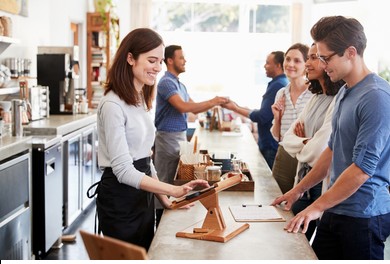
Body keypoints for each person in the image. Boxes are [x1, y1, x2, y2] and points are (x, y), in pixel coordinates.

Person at [272, 16, 390, 260]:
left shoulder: (376, 97)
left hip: (364, 215)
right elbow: (332, 150)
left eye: (326, 58)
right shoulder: (345, 91)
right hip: (335, 207)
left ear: (350, 52)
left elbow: (361, 170)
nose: (322, 64)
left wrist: (316, 206)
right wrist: (298, 190)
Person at [95, 28, 209, 250]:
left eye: (159, 61)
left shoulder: (137, 98)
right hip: (120, 200)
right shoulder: (112, 105)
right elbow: (124, 170)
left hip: (142, 196)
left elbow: (145, 158)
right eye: (151, 60)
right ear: (130, 58)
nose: (157, 67)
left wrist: (163, 197)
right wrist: (172, 189)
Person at [154, 45, 229, 226]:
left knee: (175, 178)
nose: (185, 60)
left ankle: (170, 221)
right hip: (167, 138)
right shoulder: (166, 83)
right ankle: (159, 224)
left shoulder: (180, 84)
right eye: (181, 57)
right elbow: (183, 107)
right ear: (170, 60)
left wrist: (215, 103)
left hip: (178, 137)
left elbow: (193, 108)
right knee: (164, 179)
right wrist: (213, 101)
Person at [281, 43, 345, 241]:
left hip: (322, 185)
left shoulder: (339, 99)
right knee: (293, 241)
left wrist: (305, 142)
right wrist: (308, 141)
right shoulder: (316, 98)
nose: (307, 63)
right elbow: (287, 139)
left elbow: (320, 151)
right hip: (304, 180)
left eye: (313, 58)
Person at [221, 51, 288, 169]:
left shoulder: (278, 85)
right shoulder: (278, 83)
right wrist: (236, 107)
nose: (264, 66)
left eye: (268, 63)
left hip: (270, 145)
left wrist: (235, 108)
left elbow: (262, 116)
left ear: (278, 65)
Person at [271, 43, 312, 194]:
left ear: (307, 65)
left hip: (306, 156)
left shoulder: (315, 94)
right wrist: (277, 118)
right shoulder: (281, 93)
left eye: (297, 60)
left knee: (299, 205)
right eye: (287, 59)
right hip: (284, 155)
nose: (290, 64)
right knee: (276, 199)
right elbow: (277, 136)